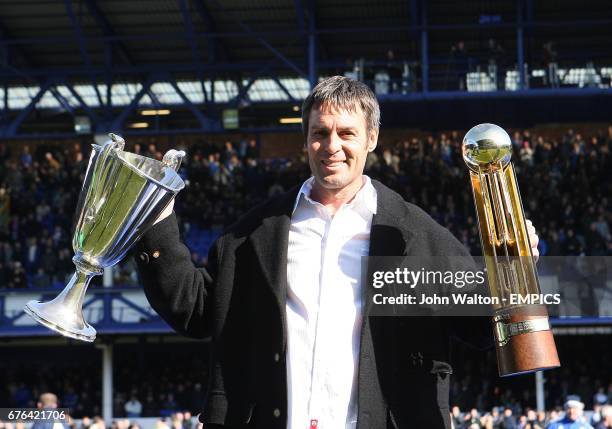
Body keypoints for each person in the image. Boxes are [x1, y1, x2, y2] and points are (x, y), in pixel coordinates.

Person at [135, 76, 540, 428]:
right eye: (320, 132)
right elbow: (196, 308)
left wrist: (516, 270)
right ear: (305, 139)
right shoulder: (255, 233)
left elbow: (479, 327)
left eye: (346, 133)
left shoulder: (416, 234)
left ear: (371, 139)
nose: (332, 146)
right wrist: (157, 221)